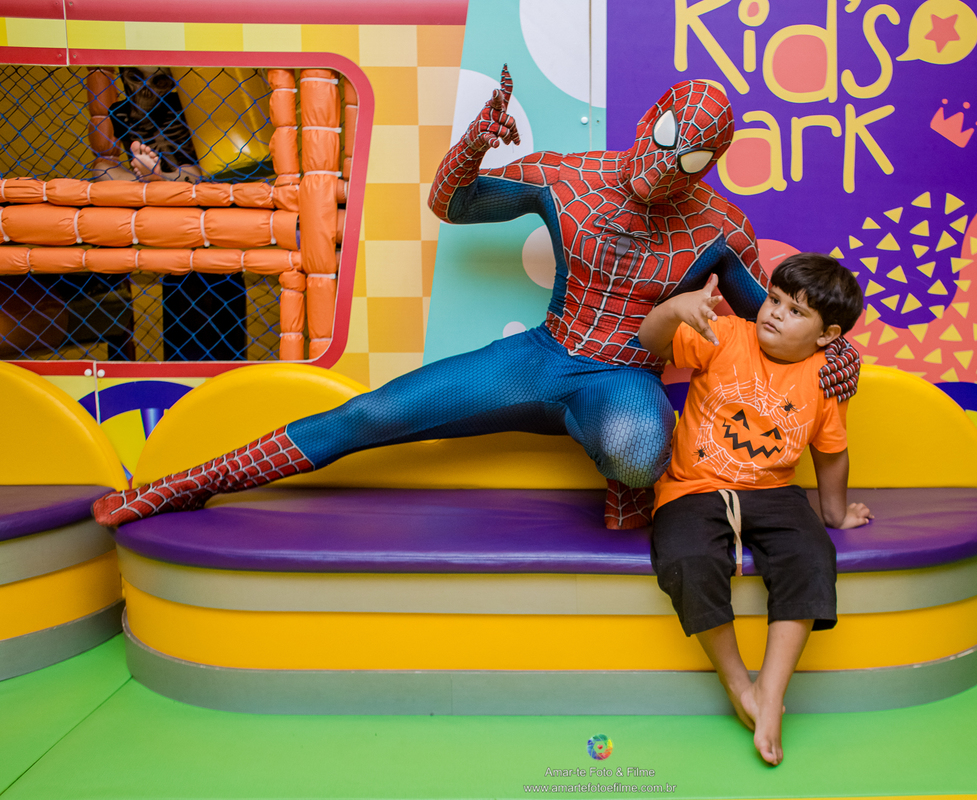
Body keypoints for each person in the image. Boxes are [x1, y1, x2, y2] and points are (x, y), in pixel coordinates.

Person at [92, 70, 860, 530]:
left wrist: (839, 355)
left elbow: (771, 320)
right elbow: (453, 205)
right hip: (540, 356)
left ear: (710, 163)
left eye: (689, 157)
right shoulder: (568, 176)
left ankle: (626, 491)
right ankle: (184, 485)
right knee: (371, 414)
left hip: (622, 378)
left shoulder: (719, 226)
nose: (666, 164)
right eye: (665, 137)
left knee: (638, 451)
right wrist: (473, 146)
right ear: (646, 119)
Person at [637, 253, 873, 766]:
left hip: (775, 492)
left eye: (794, 312)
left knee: (813, 558)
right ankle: (738, 684)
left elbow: (831, 450)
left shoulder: (826, 377)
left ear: (827, 335)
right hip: (695, 488)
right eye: (774, 299)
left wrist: (834, 515)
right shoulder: (724, 335)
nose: (774, 314)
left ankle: (771, 690)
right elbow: (650, 341)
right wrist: (675, 309)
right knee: (688, 559)